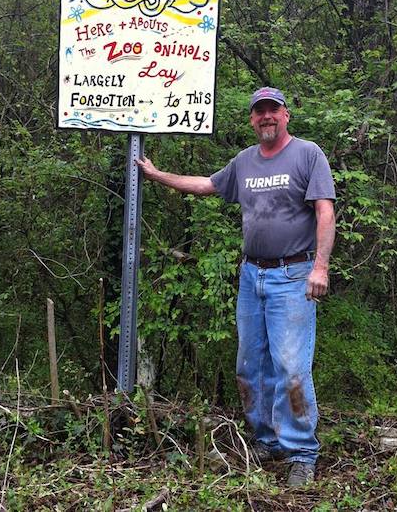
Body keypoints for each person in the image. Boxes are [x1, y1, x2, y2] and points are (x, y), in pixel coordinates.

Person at [137, 87, 336, 486]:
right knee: (249, 365)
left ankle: (301, 451)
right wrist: (158, 175)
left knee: (292, 368)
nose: (266, 117)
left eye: (273, 110)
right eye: (259, 112)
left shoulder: (307, 154)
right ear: (251, 119)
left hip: (293, 276)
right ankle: (266, 439)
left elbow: (324, 210)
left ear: (286, 115)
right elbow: (207, 185)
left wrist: (320, 267)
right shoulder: (244, 162)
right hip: (251, 277)